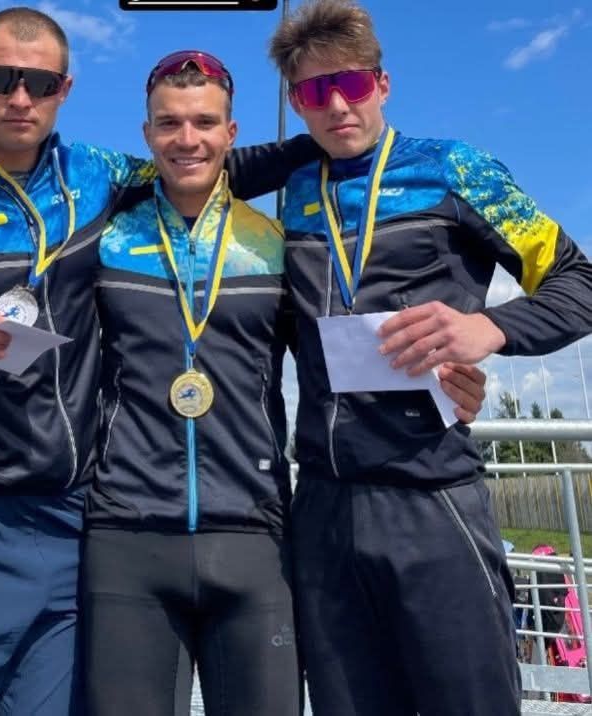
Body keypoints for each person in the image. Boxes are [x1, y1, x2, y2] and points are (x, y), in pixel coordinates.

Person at [0, 7, 317, 712]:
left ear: (64, 90)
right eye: (1, 78)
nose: (19, 97)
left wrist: (334, 134)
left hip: (76, 528)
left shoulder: (97, 176)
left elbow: (205, 163)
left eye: (38, 82)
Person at [81, 51, 487, 716]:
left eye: (205, 122)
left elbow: (337, 361)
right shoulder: (106, 237)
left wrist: (445, 381)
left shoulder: (276, 242)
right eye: (169, 123)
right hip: (126, 533)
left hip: (255, 537)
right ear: (147, 133)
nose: (187, 138)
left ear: (233, 134)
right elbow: (50, 335)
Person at [269, 2, 592, 715]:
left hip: (431, 494)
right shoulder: (293, 194)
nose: (336, 105)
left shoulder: (454, 170)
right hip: (322, 504)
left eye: (351, 83)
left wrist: (491, 329)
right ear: (296, 103)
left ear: (382, 83)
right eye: (314, 92)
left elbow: (580, 280)